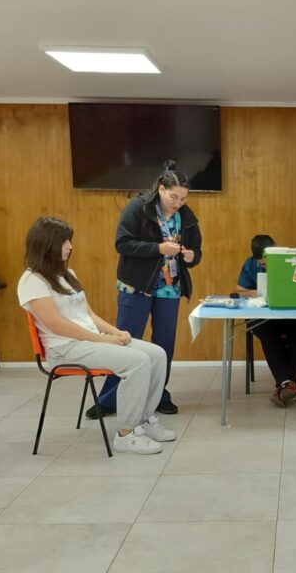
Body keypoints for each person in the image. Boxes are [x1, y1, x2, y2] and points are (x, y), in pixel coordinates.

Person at [18, 217, 175, 455]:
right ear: (46, 244)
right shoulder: (32, 280)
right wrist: (104, 340)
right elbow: (56, 325)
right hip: (64, 348)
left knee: (157, 354)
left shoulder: (66, 274)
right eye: (64, 242)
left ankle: (143, 420)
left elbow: (88, 314)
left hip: (89, 342)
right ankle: (126, 434)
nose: (70, 246)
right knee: (138, 362)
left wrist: (114, 332)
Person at [86, 161, 202, 419]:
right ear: (161, 189)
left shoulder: (187, 217)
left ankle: (158, 395)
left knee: (164, 345)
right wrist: (158, 249)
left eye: (183, 198)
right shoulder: (138, 208)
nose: (178, 203)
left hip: (169, 289)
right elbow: (122, 243)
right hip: (136, 286)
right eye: (174, 197)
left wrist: (192, 256)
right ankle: (110, 399)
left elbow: (197, 251)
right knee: (124, 340)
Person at [236, 234, 296, 408]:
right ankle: (287, 384)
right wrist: (258, 292)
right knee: (267, 332)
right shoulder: (250, 264)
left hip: (290, 314)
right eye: (263, 265)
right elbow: (239, 291)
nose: (266, 267)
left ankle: (284, 384)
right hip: (263, 316)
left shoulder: (293, 261)